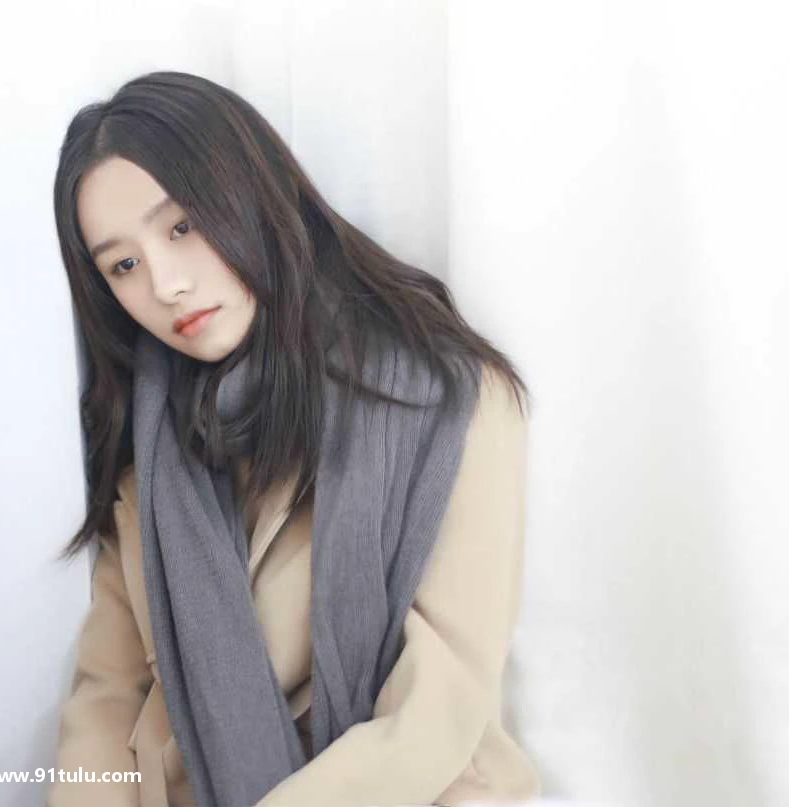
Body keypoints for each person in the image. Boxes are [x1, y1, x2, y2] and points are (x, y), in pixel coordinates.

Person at [46, 70, 540, 807]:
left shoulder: (445, 402)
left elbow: (435, 711)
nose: (166, 284)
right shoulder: (149, 444)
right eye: (124, 265)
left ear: (250, 190)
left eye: (181, 227)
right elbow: (106, 697)